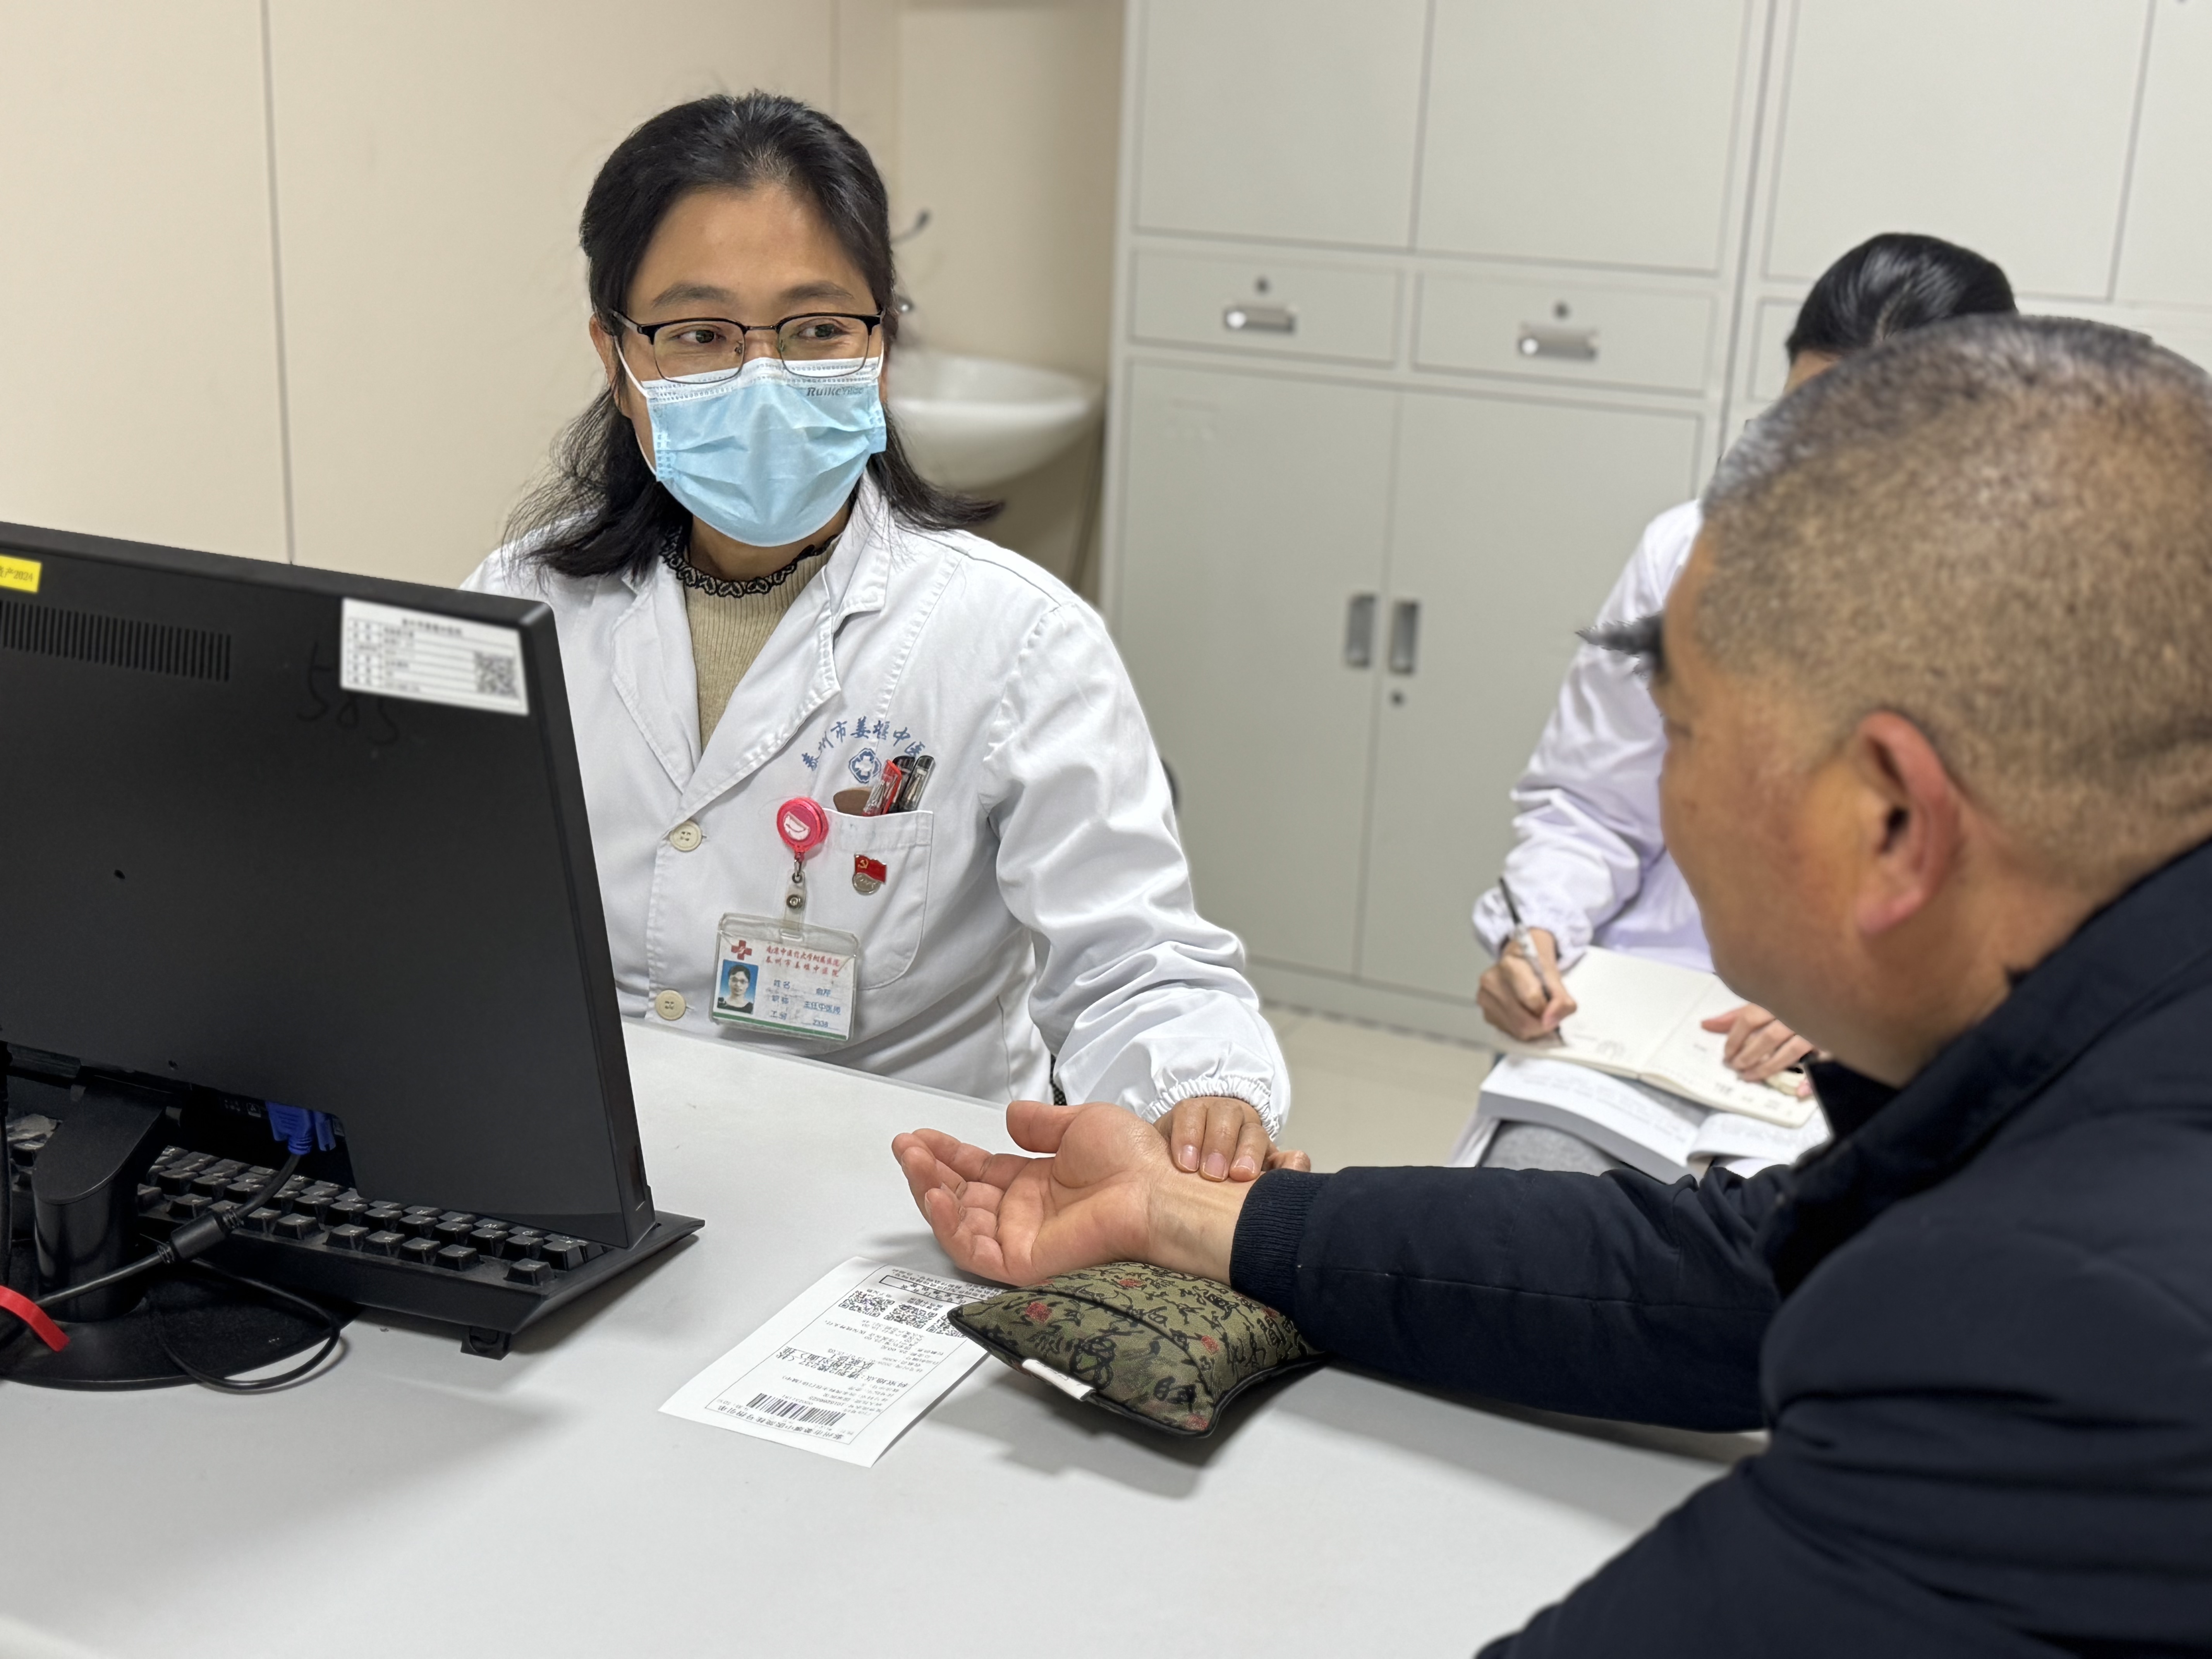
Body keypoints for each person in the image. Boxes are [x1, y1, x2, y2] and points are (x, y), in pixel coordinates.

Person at [895, 316, 2212, 1653]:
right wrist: (1197, 1215)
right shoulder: (2110, 1049)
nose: (1659, 794)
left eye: (1678, 731)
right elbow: (1730, 1272)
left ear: (1891, 822)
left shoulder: (2076, 1322)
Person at [467, 93, 1299, 1183]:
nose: (762, 377)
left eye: (815, 329)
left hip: (897, 1192)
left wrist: (1201, 1096)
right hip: (580, 1173)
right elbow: (429, 900)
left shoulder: (1015, 639)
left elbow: (1136, 964)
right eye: (700, 335)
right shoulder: (520, 604)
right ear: (618, 359)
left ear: (880, 347)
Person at [1470, 235, 2016, 1173]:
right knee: (1523, 1200)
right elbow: (1593, 805)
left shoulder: (2043, 610)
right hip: (1648, 1015)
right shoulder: (1688, 552)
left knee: (1773, 1242)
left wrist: (1865, 998)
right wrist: (1537, 935)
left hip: (1878, 1053)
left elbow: (2037, 908)